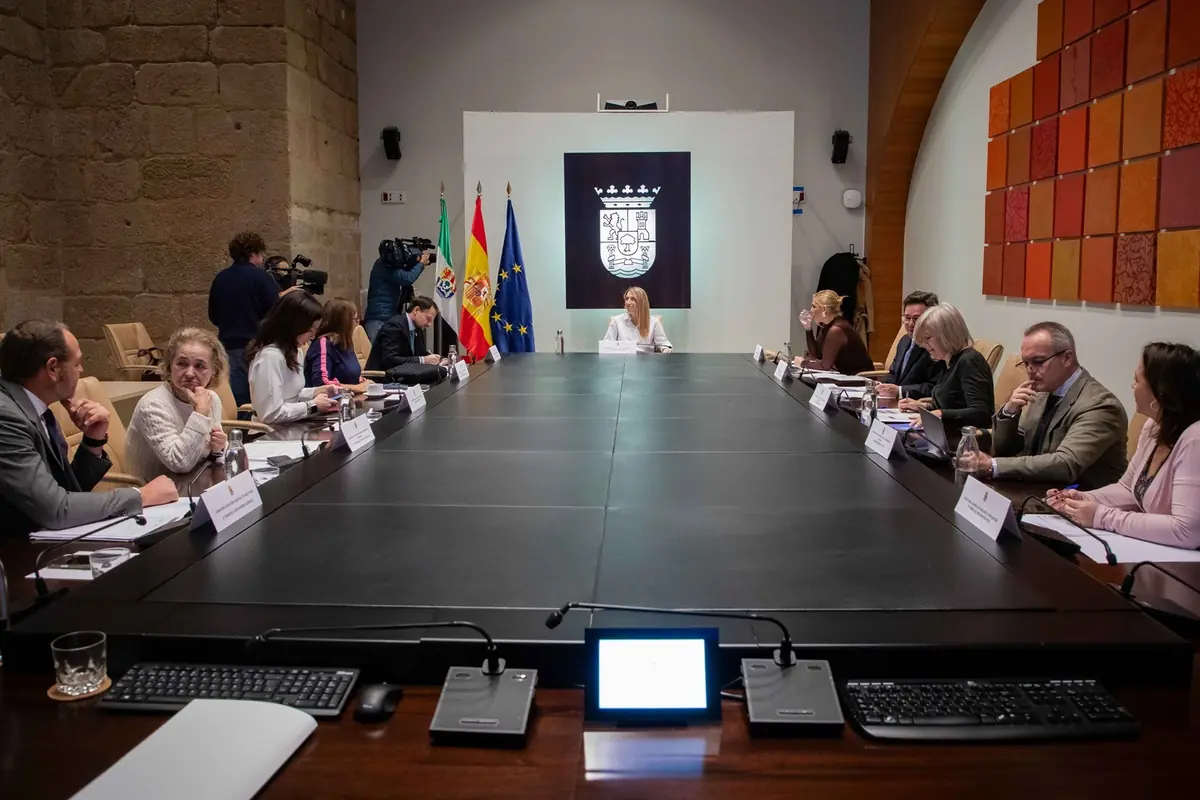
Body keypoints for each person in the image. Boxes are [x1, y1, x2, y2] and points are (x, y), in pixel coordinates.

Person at [0, 320, 178, 536]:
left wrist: (93, 442)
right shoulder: (7, 418)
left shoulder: (35, 407)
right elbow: (57, 510)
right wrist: (142, 496)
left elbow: (68, 492)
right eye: (77, 363)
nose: (81, 370)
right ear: (53, 368)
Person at [1049, 342, 1200, 550]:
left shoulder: (1195, 438)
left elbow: (1186, 531)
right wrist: (1083, 498)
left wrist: (1102, 516)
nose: (1133, 386)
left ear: (1160, 392)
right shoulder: (1154, 426)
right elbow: (1128, 489)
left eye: (1137, 380)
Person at [972, 322, 1127, 488]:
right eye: (1026, 363)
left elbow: (1065, 464)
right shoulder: (1041, 391)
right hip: (1033, 489)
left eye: (1038, 361)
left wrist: (993, 466)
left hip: (1079, 497)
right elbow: (1006, 451)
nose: (1030, 370)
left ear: (1067, 358)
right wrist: (1010, 412)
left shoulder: (1100, 406)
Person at [125, 328, 229, 482]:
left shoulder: (211, 398)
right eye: (182, 364)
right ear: (169, 366)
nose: (189, 373)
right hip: (153, 489)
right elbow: (180, 463)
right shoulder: (152, 405)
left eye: (200, 366)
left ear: (214, 371)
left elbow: (209, 452)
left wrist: (218, 449)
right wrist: (200, 413)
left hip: (196, 480)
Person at [208, 232, 287, 406]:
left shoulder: (220, 278)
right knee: (261, 400)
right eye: (261, 254)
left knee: (238, 401)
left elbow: (213, 316)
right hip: (256, 348)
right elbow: (276, 312)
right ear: (253, 253)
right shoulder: (261, 277)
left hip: (228, 348)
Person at [898, 303, 993, 432]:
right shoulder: (949, 360)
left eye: (928, 338)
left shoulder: (970, 361)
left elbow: (981, 414)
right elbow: (954, 402)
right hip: (943, 432)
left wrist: (940, 414)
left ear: (947, 335)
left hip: (962, 439)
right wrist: (925, 406)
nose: (924, 345)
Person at [247, 292, 338, 424]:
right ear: (294, 326)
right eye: (310, 330)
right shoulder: (270, 357)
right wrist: (312, 405)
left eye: (315, 331)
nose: (313, 336)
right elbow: (270, 414)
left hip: (291, 425)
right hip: (269, 431)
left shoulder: (295, 351)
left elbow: (290, 395)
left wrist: (316, 392)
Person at [877, 290, 944, 399]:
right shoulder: (904, 340)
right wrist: (882, 386)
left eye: (916, 319)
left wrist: (900, 391)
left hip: (917, 403)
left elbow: (934, 387)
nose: (910, 324)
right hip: (895, 401)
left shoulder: (937, 347)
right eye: (907, 318)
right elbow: (893, 373)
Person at [364, 239, 432, 343]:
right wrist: (421, 263)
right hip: (379, 320)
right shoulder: (385, 267)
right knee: (381, 351)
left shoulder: (383, 263)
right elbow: (408, 279)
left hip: (384, 317)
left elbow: (404, 274)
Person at [365, 296, 446, 378]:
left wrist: (439, 359)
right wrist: (423, 360)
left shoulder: (417, 329)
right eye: (428, 319)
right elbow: (390, 360)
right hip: (382, 378)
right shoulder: (394, 327)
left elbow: (420, 353)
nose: (429, 324)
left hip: (403, 376)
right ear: (416, 310)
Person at [793, 290, 872, 374]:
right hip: (845, 375)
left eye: (814, 306)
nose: (811, 310)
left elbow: (824, 366)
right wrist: (808, 328)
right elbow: (816, 354)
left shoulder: (837, 330)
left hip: (861, 377)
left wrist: (802, 363)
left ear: (824, 309)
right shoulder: (826, 326)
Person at [305, 298, 367, 392]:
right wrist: (354, 388)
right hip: (330, 399)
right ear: (343, 323)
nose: (356, 324)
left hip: (351, 397)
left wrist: (363, 382)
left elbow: (351, 376)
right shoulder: (323, 344)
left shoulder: (346, 343)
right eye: (354, 320)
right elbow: (321, 382)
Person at [603, 287, 672, 353]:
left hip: (647, 358)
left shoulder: (654, 322)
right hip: (624, 358)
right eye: (627, 299)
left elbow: (663, 343)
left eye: (632, 299)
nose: (628, 302)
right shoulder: (616, 321)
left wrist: (665, 348)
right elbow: (607, 344)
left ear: (642, 302)